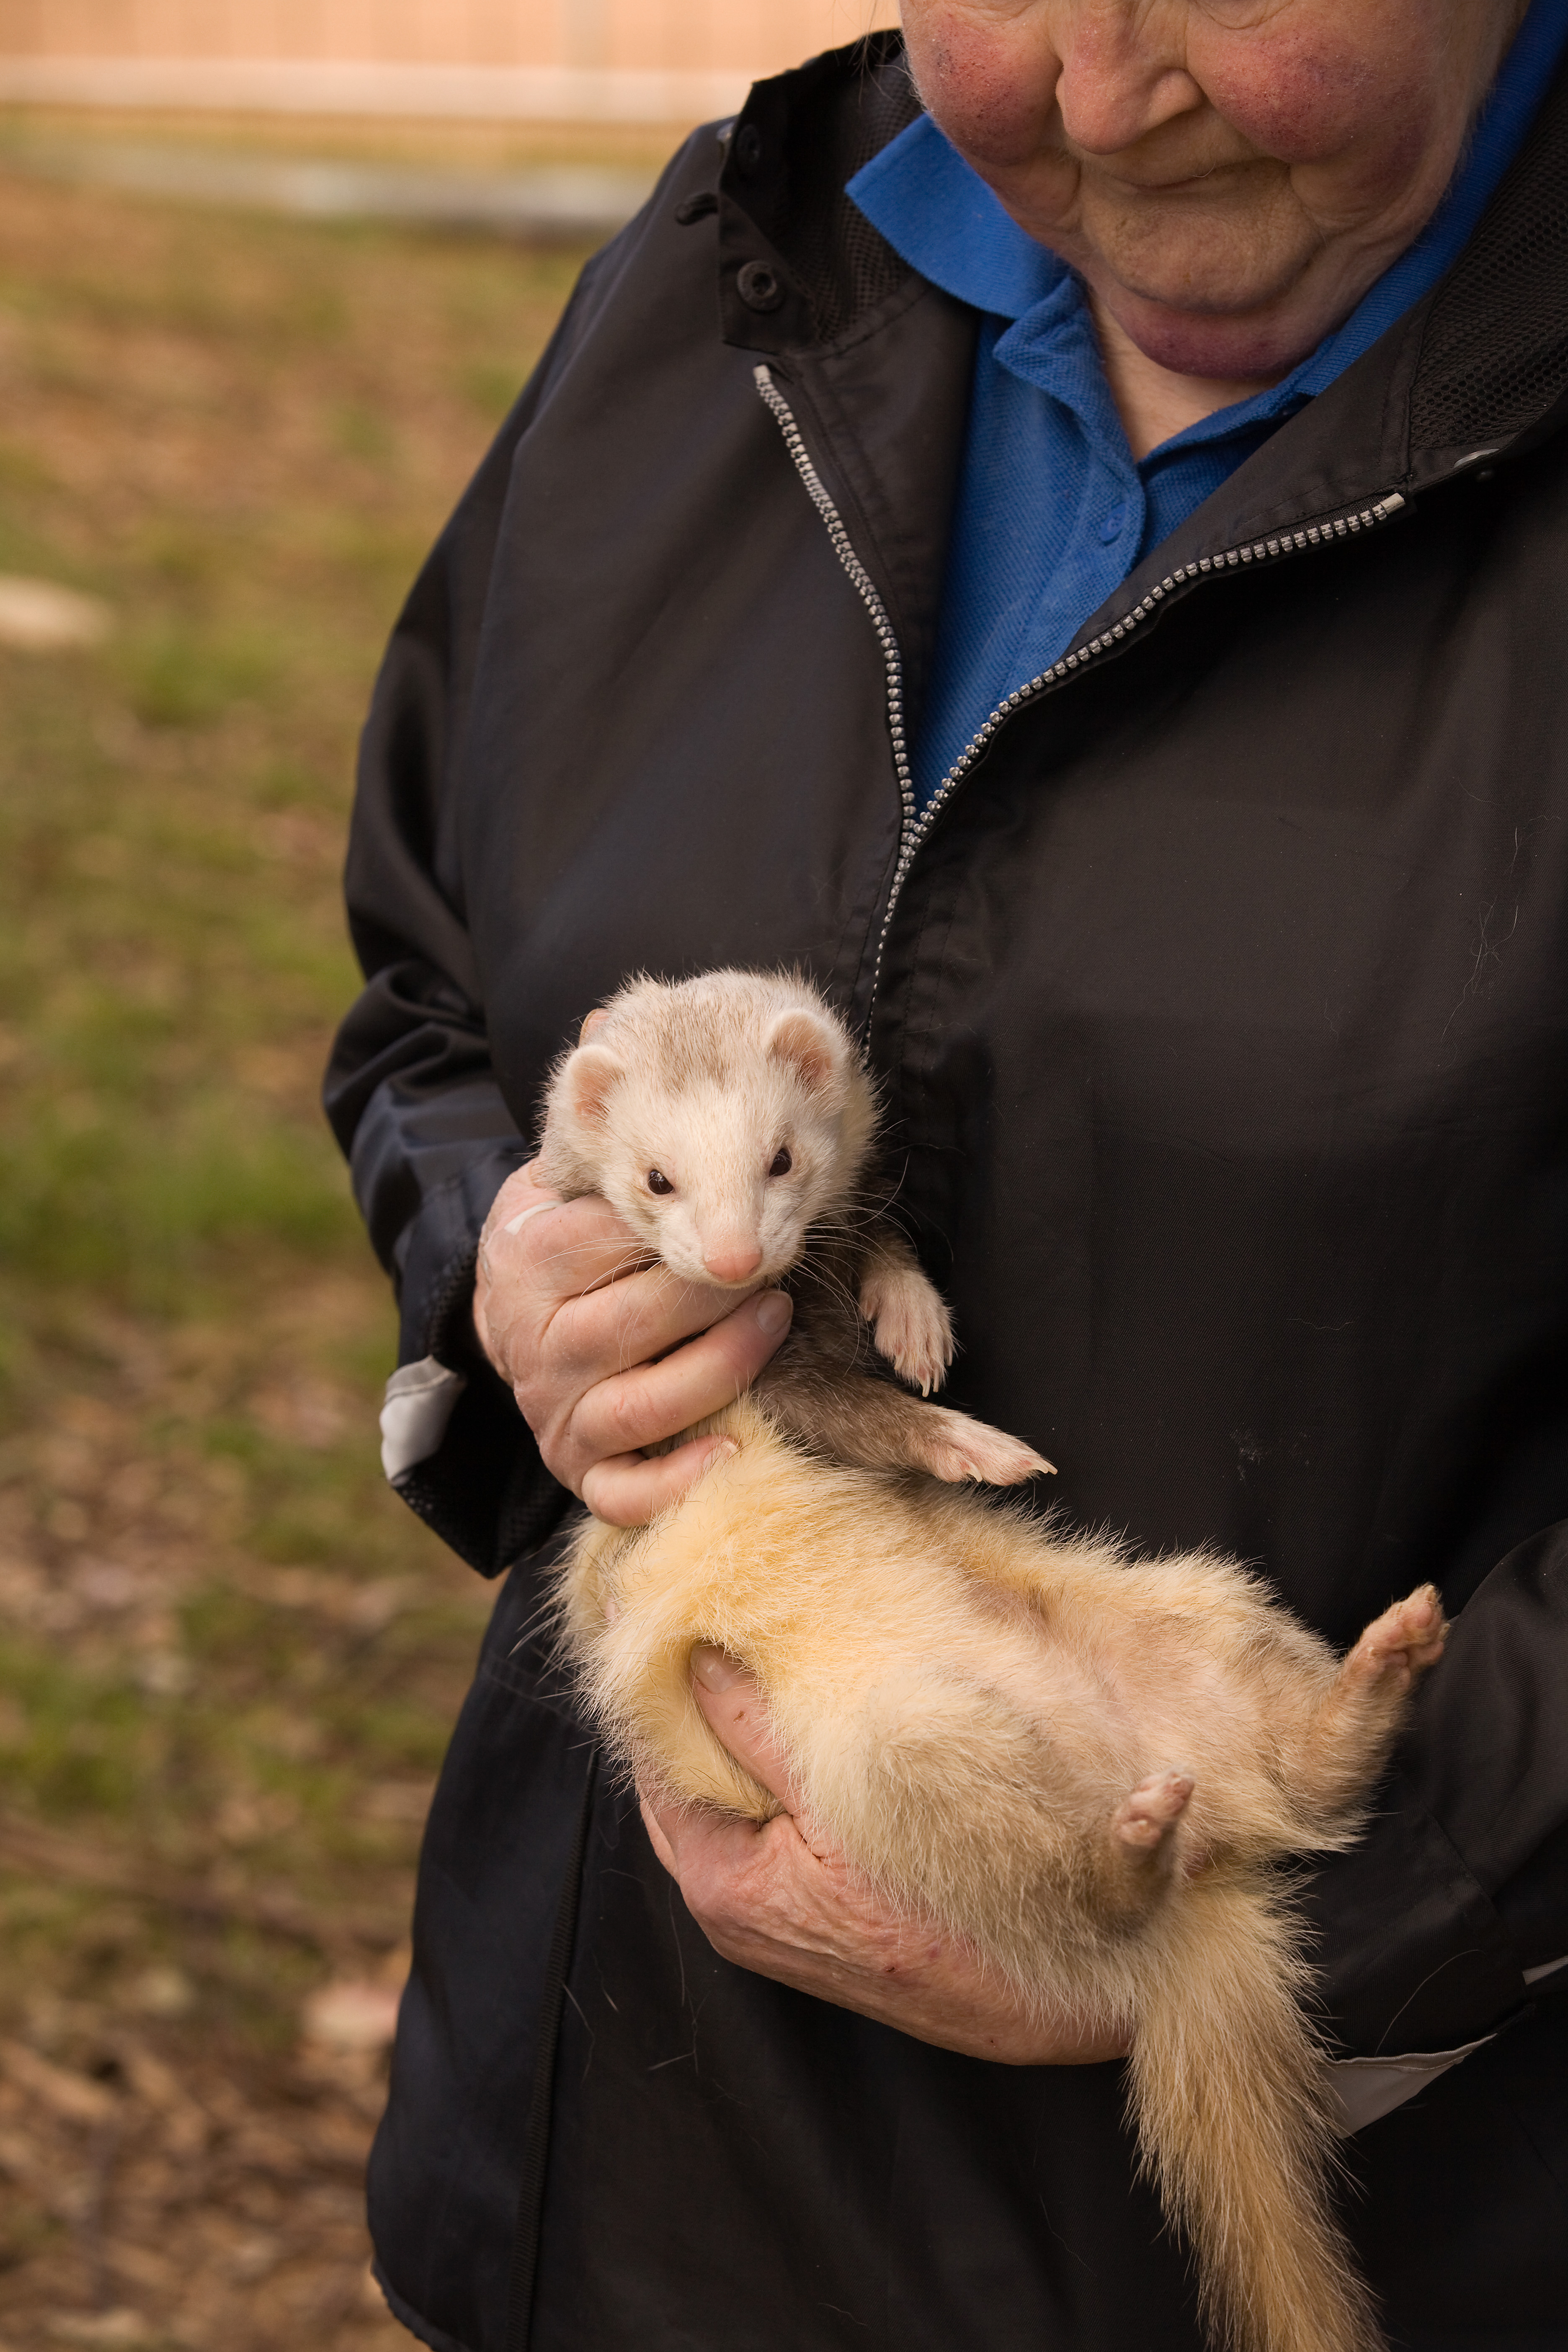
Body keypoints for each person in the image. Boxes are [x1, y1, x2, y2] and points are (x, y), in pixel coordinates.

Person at [327, 1, 1568, 2344]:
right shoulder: (718, 267)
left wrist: (1410, 1883)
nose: (1096, 90)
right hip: (590, 2173)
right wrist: (503, 1269)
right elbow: (432, 990)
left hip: (1336, 2194)